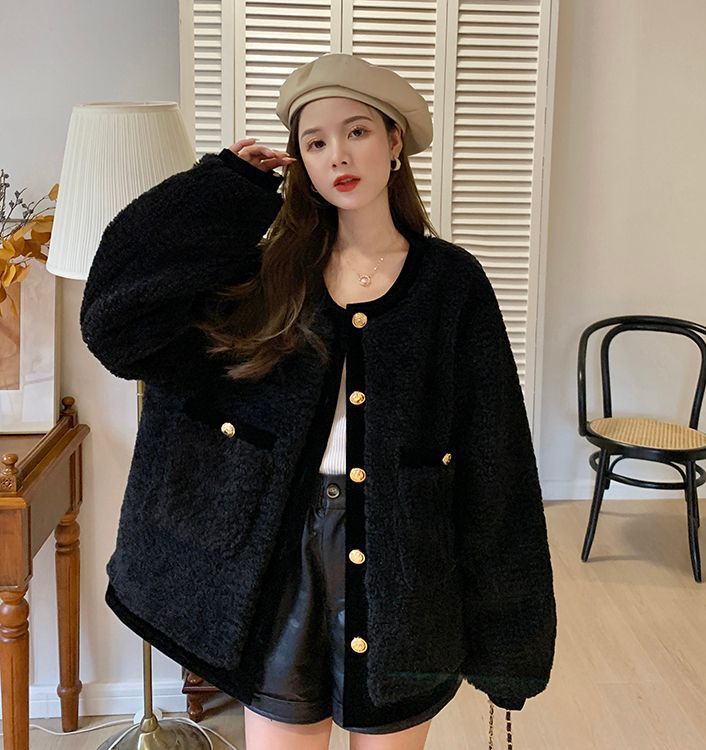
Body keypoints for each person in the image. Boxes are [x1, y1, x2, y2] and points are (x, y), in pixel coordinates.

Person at [80, 52, 556, 750]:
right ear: (299, 160)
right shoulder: (267, 277)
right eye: (315, 141)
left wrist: (511, 645)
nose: (338, 154)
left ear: (395, 141)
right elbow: (115, 324)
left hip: (404, 568)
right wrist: (222, 190)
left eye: (356, 131)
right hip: (278, 558)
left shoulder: (451, 285)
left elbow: (497, 459)